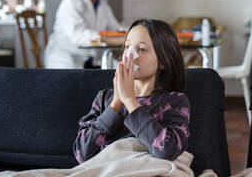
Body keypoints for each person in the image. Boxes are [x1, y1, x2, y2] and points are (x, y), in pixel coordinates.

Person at [73, 19, 190, 163]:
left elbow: (166, 151)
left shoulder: (175, 101)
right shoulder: (104, 98)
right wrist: (116, 103)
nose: (130, 55)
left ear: (163, 61)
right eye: (127, 46)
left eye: (141, 49)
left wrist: (129, 100)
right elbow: (82, 154)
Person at [44, 0, 121, 69]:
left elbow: (116, 28)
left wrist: (129, 33)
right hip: (65, 57)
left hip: (89, 59)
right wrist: (105, 38)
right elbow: (78, 35)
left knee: (123, 70)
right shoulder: (71, 2)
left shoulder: (104, 7)